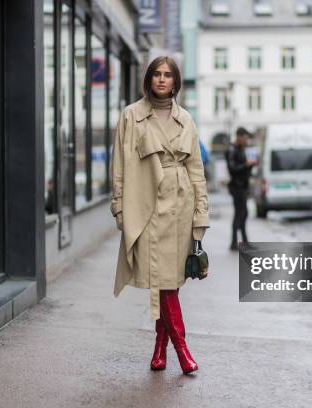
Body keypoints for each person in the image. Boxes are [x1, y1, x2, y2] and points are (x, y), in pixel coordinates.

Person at [109, 56, 209, 374]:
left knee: (171, 283)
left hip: (181, 206)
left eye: (168, 75)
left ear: (176, 82)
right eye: (156, 74)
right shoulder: (131, 116)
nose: (162, 79)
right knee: (164, 281)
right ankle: (182, 349)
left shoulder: (186, 120)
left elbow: (197, 171)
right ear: (148, 79)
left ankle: (159, 349)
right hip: (148, 205)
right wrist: (120, 207)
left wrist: (200, 214)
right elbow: (120, 166)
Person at [225, 127, 257, 250]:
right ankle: (235, 243)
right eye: (245, 138)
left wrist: (249, 166)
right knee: (239, 214)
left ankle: (243, 241)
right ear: (239, 136)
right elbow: (232, 169)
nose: (246, 141)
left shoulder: (240, 149)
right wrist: (246, 165)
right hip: (236, 187)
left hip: (242, 186)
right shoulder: (232, 150)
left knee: (243, 213)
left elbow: (241, 168)